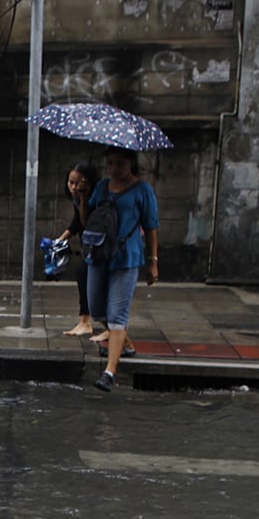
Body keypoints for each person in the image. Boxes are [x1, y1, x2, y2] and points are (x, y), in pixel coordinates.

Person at [88, 147, 159, 392]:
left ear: (131, 164)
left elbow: (151, 227)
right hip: (99, 254)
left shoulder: (142, 191)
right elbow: (89, 215)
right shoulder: (101, 187)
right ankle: (125, 344)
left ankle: (110, 372)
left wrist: (153, 260)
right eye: (111, 163)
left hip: (127, 257)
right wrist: (78, 198)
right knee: (98, 311)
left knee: (117, 315)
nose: (115, 169)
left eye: (120, 164)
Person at [54, 161, 99, 337]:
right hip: (88, 245)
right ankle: (88, 320)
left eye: (77, 183)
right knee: (83, 274)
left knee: (83, 273)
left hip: (98, 246)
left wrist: (83, 201)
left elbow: (85, 222)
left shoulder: (94, 198)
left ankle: (87, 321)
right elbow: (75, 224)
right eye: (70, 182)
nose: (73, 187)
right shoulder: (77, 198)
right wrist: (60, 239)